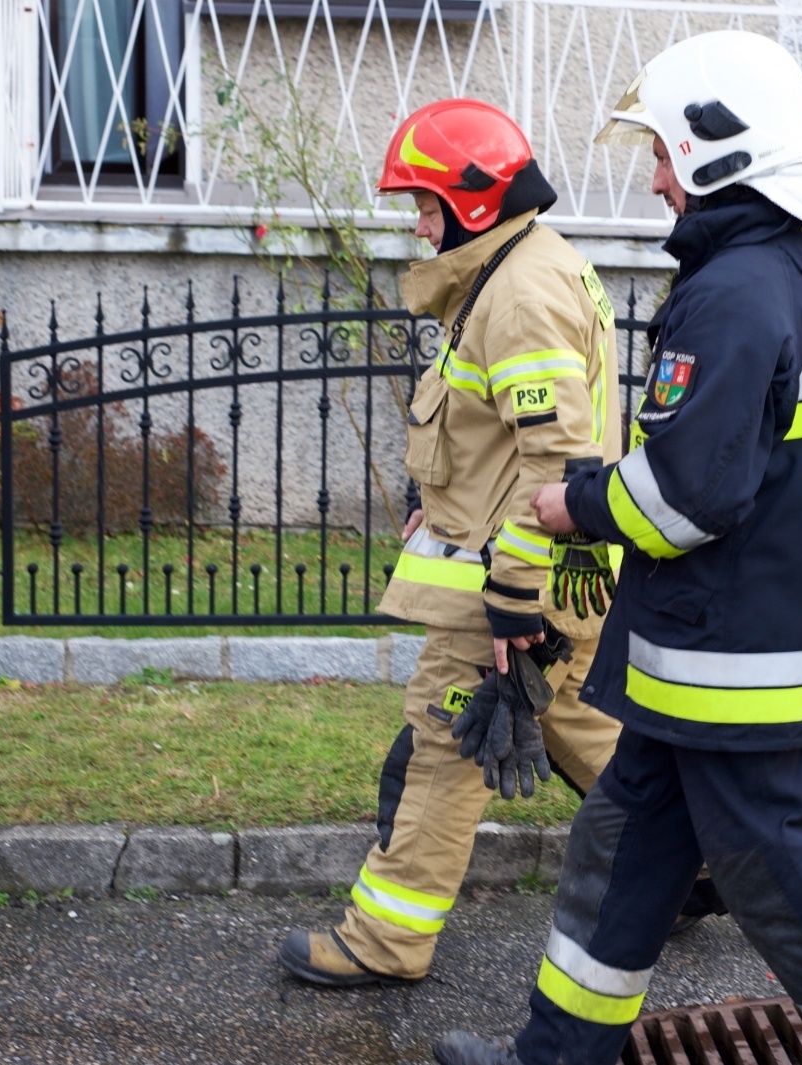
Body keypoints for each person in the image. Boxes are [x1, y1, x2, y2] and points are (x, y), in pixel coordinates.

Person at [430, 31, 802, 1065]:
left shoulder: (729, 296)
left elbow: (688, 495)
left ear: (718, 151)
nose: (656, 179)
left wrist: (570, 504)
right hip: (714, 662)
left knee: (789, 893)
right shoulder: (793, 276)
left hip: (725, 667)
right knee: (620, 856)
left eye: (664, 153)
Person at [277, 98, 634, 986]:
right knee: (592, 736)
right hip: (558, 576)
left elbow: (555, 455)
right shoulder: (519, 271)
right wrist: (434, 502)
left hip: (512, 589)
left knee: (442, 750)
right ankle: (694, 864)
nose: (417, 223)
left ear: (472, 204)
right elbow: (490, 432)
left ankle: (384, 941)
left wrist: (514, 591)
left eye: (425, 205)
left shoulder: (516, 293)